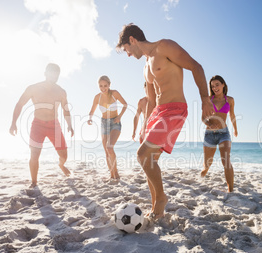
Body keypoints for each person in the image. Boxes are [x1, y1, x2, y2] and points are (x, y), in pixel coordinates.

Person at [116, 23, 215, 219]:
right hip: (158, 113)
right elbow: (152, 101)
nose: (128, 54)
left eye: (126, 49)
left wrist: (205, 99)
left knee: (142, 155)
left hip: (175, 110)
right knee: (150, 161)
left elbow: (196, 66)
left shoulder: (164, 46)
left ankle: (161, 198)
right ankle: (156, 210)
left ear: (132, 40)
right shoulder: (145, 68)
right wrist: (145, 125)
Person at [9, 63, 74, 188]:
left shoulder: (61, 91)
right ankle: (34, 182)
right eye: (51, 74)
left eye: (56, 75)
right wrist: (13, 123)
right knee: (34, 154)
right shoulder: (33, 88)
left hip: (54, 125)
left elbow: (65, 109)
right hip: (37, 124)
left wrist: (69, 125)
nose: (54, 77)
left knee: (64, 155)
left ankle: (61, 165)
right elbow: (19, 104)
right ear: (45, 74)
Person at [201, 75, 238, 192]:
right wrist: (209, 124)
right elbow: (203, 118)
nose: (215, 88)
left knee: (226, 160)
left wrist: (235, 129)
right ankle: (206, 169)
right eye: (212, 86)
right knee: (208, 162)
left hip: (224, 133)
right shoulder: (208, 100)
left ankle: (230, 190)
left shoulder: (230, 100)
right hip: (209, 135)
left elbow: (232, 115)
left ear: (223, 85)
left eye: (217, 85)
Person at [87, 75, 127, 180]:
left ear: (109, 85)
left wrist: (119, 116)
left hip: (115, 122)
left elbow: (125, 104)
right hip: (104, 123)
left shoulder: (114, 93)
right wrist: (90, 118)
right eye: (101, 86)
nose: (103, 88)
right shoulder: (97, 97)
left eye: (105, 85)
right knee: (106, 151)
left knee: (110, 147)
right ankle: (112, 174)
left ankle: (116, 172)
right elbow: (92, 110)